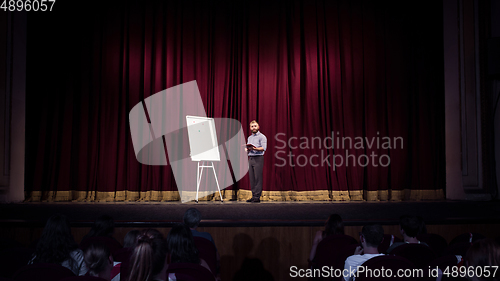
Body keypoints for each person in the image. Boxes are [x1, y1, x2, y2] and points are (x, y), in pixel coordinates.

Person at [246, 120, 267, 203]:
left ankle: (257, 197)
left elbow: (263, 148)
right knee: (252, 178)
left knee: (258, 178)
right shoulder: (249, 138)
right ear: (250, 128)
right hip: (251, 158)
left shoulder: (262, 137)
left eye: (255, 126)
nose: (253, 127)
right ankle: (253, 195)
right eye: (252, 126)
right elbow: (249, 148)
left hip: (258, 158)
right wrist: (247, 149)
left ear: (258, 127)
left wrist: (254, 148)